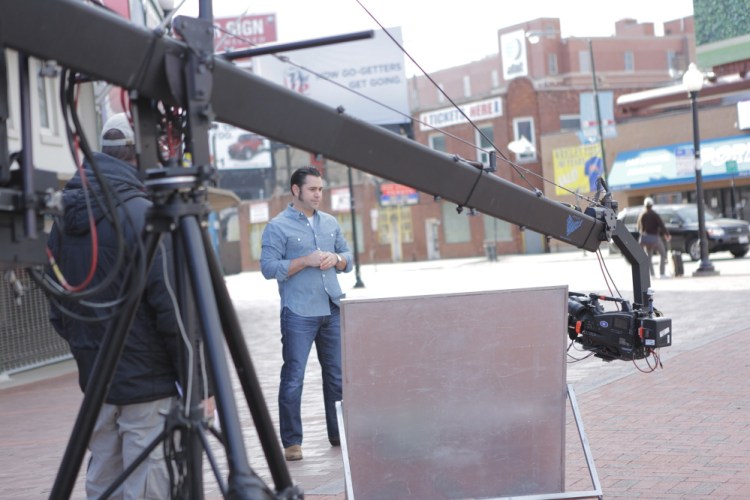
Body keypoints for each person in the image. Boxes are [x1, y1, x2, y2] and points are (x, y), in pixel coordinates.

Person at [47, 113, 180, 499]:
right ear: (139, 154)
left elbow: (58, 305)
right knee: (148, 481)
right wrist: (197, 382)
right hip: (148, 381)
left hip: (96, 380)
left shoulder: (64, 218)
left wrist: (85, 347)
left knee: (102, 479)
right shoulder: (144, 214)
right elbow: (170, 309)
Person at [260, 166, 353, 461]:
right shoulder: (277, 227)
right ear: (296, 190)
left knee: (337, 377)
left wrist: (335, 258)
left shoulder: (330, 223)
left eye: (321, 189)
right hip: (298, 311)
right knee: (294, 377)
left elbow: (348, 258)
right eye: (312, 189)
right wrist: (305, 261)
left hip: (331, 308)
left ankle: (338, 433)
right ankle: (292, 442)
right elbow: (268, 268)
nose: (318, 194)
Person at [637, 197, 672, 279]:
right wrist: (667, 234)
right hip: (655, 239)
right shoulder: (654, 214)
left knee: (649, 257)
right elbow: (661, 225)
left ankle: (652, 275)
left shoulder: (642, 215)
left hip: (645, 239)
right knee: (663, 254)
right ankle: (662, 273)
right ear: (652, 205)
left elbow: (638, 227)